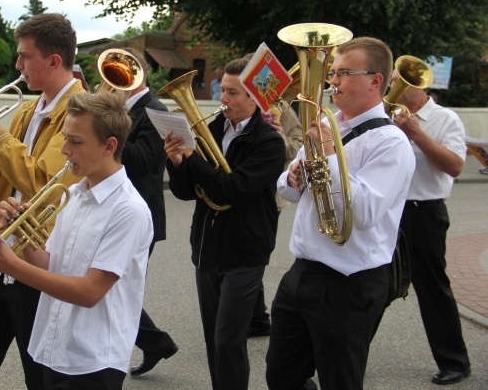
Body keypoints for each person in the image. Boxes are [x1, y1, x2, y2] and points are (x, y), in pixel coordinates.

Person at [265, 37, 416, 390]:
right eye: (333, 72)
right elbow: (286, 190)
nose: (332, 81)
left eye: (344, 73)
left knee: (341, 380)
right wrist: (293, 175)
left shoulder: (390, 143)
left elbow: (363, 211)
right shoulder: (327, 124)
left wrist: (329, 153)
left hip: (349, 282)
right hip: (302, 272)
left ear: (375, 80)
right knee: (281, 376)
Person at [0, 13, 86, 390]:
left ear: (54, 61)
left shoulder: (82, 113)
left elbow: (46, 186)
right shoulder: (27, 109)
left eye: (25, 56)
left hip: (36, 261)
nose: (17, 65)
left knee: (40, 377)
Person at [0, 90, 153, 389]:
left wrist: (11, 266)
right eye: (65, 139)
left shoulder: (129, 210)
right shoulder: (72, 195)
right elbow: (52, 265)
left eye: (76, 142)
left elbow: (89, 292)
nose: (65, 150)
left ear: (109, 146)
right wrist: (20, 234)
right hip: (53, 346)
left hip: (92, 360)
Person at [164, 57, 286, 390]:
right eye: (224, 90)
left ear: (255, 98)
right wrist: (177, 163)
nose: (223, 99)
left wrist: (192, 159)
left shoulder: (269, 142)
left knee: (228, 340)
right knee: (212, 340)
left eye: (232, 93)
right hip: (206, 247)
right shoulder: (213, 129)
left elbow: (234, 190)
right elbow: (187, 192)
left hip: (246, 251)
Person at [391, 66, 471, 385]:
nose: (394, 84)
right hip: (390, 211)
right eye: (394, 79)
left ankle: (455, 361)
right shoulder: (387, 115)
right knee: (372, 285)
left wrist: (417, 133)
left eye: (399, 80)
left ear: (419, 87)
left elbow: (454, 166)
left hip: (424, 212)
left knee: (432, 288)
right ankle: (347, 353)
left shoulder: (445, 119)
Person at [117, 49, 178, 377]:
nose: (107, 83)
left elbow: (141, 161)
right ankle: (155, 343)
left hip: (140, 215)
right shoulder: (120, 109)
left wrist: (108, 132)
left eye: (117, 75)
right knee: (114, 286)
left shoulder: (155, 111)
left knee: (114, 286)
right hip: (117, 210)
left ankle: (155, 342)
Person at [249, 100, 303, 338]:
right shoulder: (238, 102)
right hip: (243, 186)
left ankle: (256, 316)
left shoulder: (279, 107)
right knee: (246, 253)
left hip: (272, 194)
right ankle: (256, 315)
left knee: (254, 251)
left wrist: (277, 137)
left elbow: (299, 145)